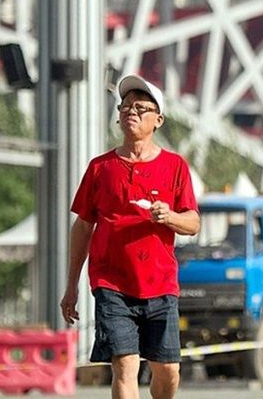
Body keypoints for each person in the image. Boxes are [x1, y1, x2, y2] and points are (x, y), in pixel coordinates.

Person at [60, 74, 200, 399]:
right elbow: (82, 227)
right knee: (124, 367)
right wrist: (71, 287)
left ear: (158, 119)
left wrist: (170, 217)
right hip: (111, 285)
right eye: (125, 107)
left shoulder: (175, 166)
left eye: (140, 107)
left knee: (168, 372)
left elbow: (193, 223)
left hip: (160, 285)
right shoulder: (100, 168)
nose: (130, 112)